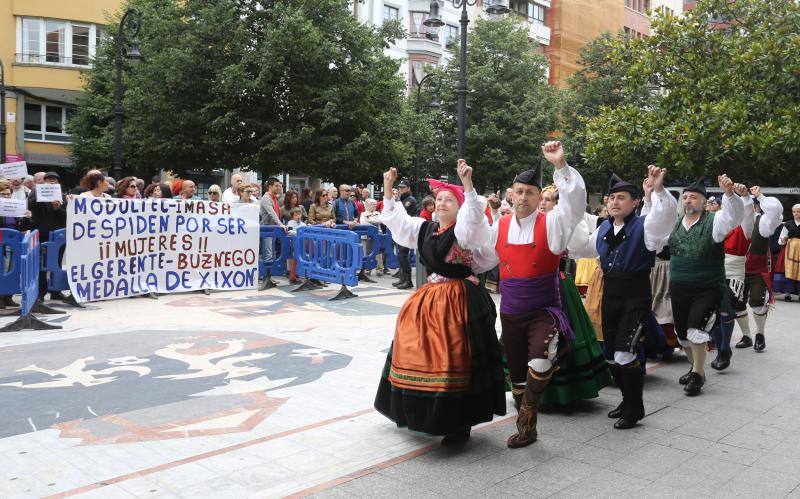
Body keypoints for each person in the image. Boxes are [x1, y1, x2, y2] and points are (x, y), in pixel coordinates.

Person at [456, 141, 587, 448]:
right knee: (516, 379)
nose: (523, 197)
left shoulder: (553, 222)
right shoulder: (498, 227)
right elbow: (478, 257)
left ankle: (526, 417)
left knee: (539, 363)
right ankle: (529, 427)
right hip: (511, 316)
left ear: (540, 196)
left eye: (530, 192)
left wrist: (560, 166)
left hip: (545, 311)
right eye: (518, 191)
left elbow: (574, 206)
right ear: (510, 195)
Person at [374, 165, 506, 446]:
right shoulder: (424, 228)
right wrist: (388, 186)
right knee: (414, 347)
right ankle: (417, 412)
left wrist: (468, 184)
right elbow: (397, 222)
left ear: (460, 207)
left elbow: (474, 221)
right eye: (440, 198)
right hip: (428, 300)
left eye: (450, 199)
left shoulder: (465, 231)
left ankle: (457, 423)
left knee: (454, 359)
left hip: (460, 302)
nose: (443, 202)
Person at [573, 168, 677, 428]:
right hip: (610, 295)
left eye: (621, 198)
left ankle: (635, 407)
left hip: (636, 296)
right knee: (611, 356)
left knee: (624, 353)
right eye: (611, 198)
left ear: (635, 202)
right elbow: (580, 249)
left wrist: (658, 191)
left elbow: (665, 217)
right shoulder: (604, 227)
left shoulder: (645, 226)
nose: (614, 202)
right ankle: (628, 400)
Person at [533, 182, 613, 410]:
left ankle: (566, 391)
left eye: (549, 199)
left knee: (561, 335)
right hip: (532, 287)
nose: (543, 202)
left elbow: (578, 245)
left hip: (557, 284)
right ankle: (535, 389)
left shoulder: (563, 224)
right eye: (542, 198)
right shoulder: (529, 222)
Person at [665, 176, 745, 397]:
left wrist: (729, 194)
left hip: (707, 288)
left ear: (703, 201)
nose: (688, 201)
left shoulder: (715, 221)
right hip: (679, 287)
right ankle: (694, 367)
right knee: (681, 333)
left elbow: (735, 216)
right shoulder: (674, 223)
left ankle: (699, 375)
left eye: (694, 197)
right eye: (686, 197)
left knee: (695, 329)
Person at [731, 188, 783, 352]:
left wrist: (760, 196)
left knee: (756, 301)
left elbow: (776, 210)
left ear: (755, 207)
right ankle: (746, 336)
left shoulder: (764, 221)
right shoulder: (730, 221)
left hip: (756, 270)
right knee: (736, 303)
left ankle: (760, 334)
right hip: (734, 270)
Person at [28, 172, 68, 301]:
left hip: (58, 236)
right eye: (49, 179)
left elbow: (67, 216)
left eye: (54, 179)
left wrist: (58, 208)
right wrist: (41, 195)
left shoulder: (63, 197)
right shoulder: (35, 193)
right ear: (44, 182)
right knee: (41, 265)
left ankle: (56, 291)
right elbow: (30, 206)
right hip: (42, 234)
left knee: (57, 263)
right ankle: (41, 292)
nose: (52, 181)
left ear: (58, 183)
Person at [0, 180, 32, 308]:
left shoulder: (15, 207)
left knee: (12, 271)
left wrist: (27, 218)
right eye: (3, 194)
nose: (7, 196)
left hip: (15, 244)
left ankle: (8, 297)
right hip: (2, 244)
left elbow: (23, 228)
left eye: (8, 194)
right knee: (2, 271)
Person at [392, 179, 418, 290]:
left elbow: (402, 214)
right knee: (400, 255)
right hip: (402, 229)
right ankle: (403, 279)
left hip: (407, 230)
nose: (400, 189)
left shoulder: (409, 200)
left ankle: (408, 280)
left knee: (403, 255)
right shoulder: (402, 199)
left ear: (408, 188)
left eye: (403, 187)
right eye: (400, 187)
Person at [774, 204, 800, 301]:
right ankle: (787, 294)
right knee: (789, 270)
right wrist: (783, 240)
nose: (796, 213)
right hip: (790, 250)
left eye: (798, 211)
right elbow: (781, 238)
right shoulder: (788, 224)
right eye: (794, 212)